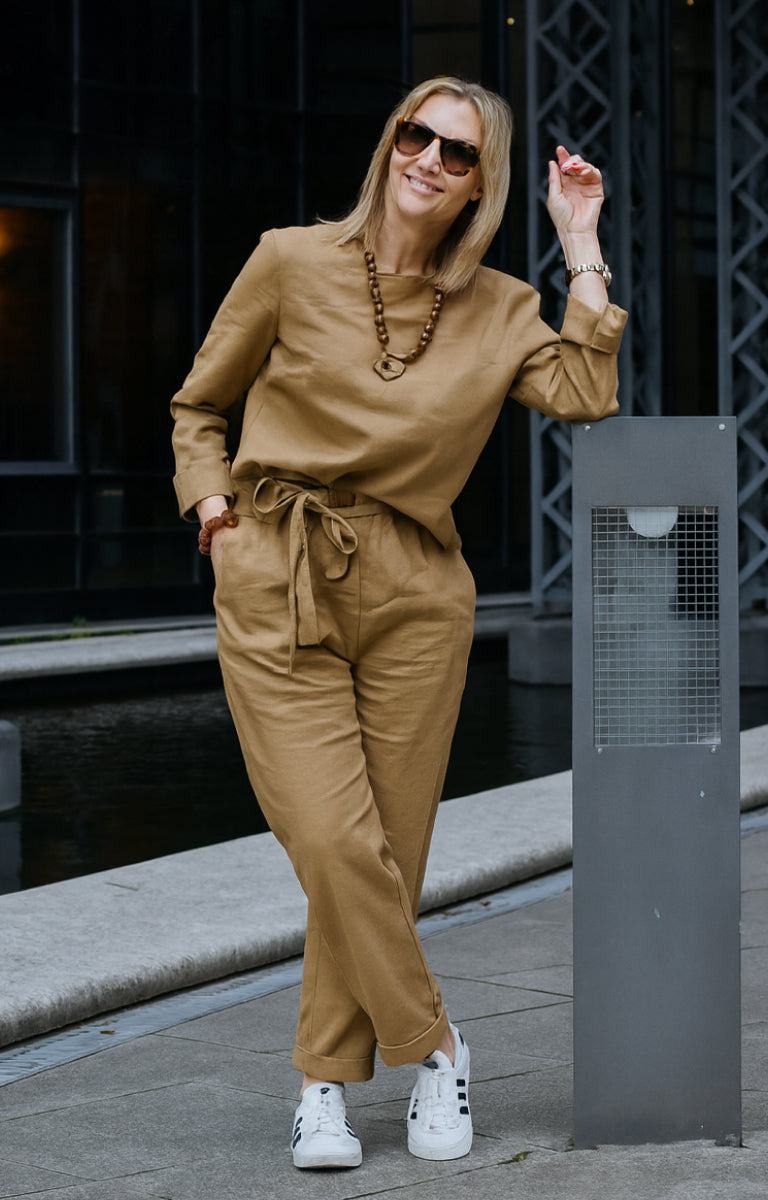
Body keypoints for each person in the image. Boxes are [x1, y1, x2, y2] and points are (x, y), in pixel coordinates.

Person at [169, 74, 628, 1170]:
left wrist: (578, 242)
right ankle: (437, 1046)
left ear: (480, 184)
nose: (426, 157)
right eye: (412, 135)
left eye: (456, 151)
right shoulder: (289, 259)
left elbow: (583, 392)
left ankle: (323, 1088)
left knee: (387, 851)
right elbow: (199, 405)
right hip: (278, 564)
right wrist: (217, 517)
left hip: (416, 593)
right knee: (332, 840)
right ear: (388, 144)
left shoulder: (503, 307)